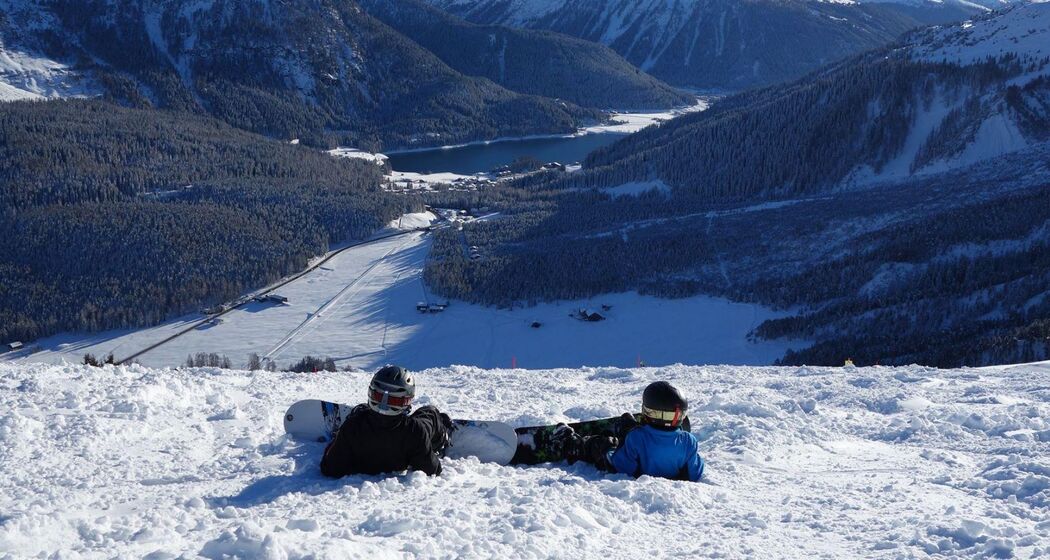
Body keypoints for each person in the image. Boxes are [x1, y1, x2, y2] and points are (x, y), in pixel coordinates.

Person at [555, 381, 705, 482]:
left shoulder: (637, 437)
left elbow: (621, 466)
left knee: (602, 443)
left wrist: (613, 447)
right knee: (631, 434)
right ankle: (627, 428)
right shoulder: (688, 440)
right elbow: (695, 473)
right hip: (647, 441)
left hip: (633, 467)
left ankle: (570, 442)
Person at [320, 365, 452, 478]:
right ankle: (443, 433)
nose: (384, 405)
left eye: (393, 401)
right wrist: (426, 450)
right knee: (429, 413)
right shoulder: (415, 430)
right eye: (379, 397)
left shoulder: (353, 425)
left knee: (360, 412)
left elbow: (330, 468)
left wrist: (337, 441)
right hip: (411, 433)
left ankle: (361, 410)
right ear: (407, 401)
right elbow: (431, 470)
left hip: (361, 424)